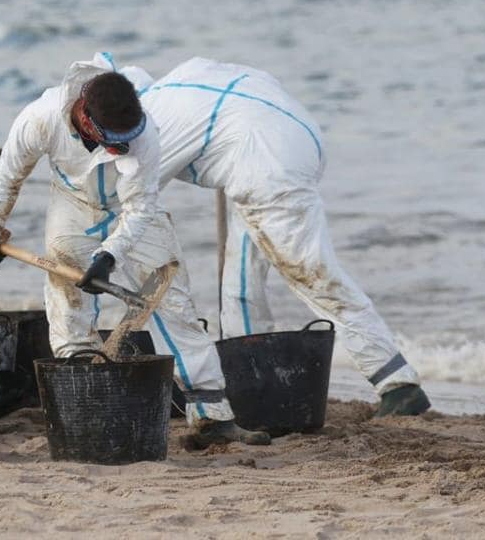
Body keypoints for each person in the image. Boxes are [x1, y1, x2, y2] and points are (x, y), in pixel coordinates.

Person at [0, 54, 271, 446]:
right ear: (84, 117)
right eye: (113, 144)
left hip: (129, 210)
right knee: (68, 302)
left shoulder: (143, 135)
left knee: (174, 301)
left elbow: (141, 207)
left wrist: (110, 255)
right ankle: (85, 404)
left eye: (124, 143)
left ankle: (212, 415)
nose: (120, 150)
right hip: (71, 205)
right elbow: (10, 172)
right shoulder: (40, 117)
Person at [139, 57, 430, 416]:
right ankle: (249, 378)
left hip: (266, 168)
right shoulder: (189, 75)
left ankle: (396, 381)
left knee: (311, 274)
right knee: (241, 282)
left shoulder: (152, 119)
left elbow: (134, 198)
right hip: (293, 140)